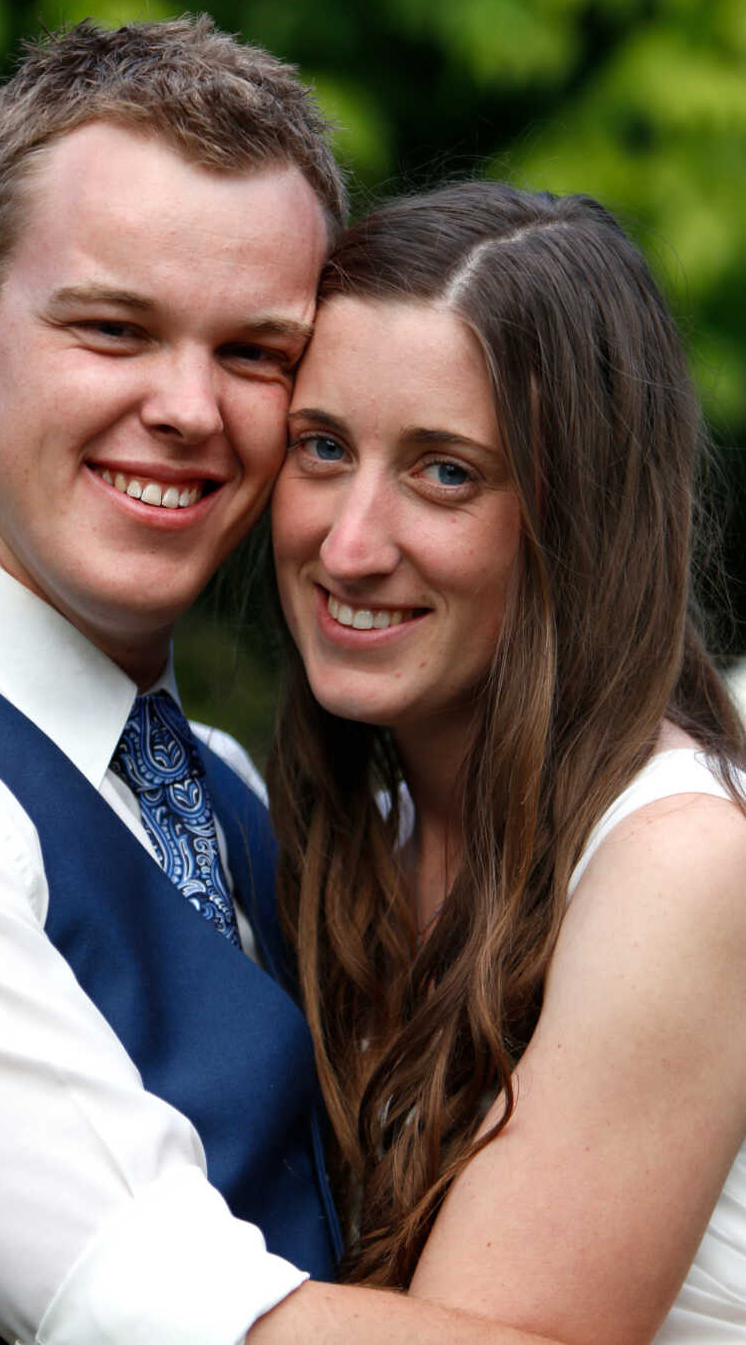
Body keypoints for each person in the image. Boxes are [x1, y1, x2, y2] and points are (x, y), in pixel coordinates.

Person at [0, 19, 573, 1345]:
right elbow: (163, 1312)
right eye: (115, 329)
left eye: (254, 353)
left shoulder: (230, 789)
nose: (189, 407)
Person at [269, 181, 746, 1343]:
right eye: (323, 448)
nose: (348, 544)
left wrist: (74, 1264)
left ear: (577, 515)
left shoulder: (678, 864)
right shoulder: (353, 835)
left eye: (445, 472)